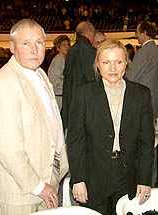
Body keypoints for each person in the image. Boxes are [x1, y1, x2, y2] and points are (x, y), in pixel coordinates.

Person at [0, 19, 68, 215]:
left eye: (39, 42)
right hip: (19, 192)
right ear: (12, 47)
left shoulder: (40, 74)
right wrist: (39, 186)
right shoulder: (3, 84)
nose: (34, 49)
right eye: (26, 43)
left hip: (47, 179)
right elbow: (7, 147)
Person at [67, 39, 155, 215]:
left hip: (128, 176)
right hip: (93, 176)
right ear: (98, 65)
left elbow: (146, 141)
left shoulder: (141, 94)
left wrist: (145, 180)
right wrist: (78, 179)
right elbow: (75, 141)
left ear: (126, 64)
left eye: (119, 62)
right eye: (106, 62)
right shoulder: (83, 94)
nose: (113, 68)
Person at [126, 21, 158, 187]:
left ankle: (144, 180)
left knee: (144, 143)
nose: (136, 35)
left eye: (137, 32)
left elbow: (131, 77)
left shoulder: (144, 51)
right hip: (155, 102)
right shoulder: (156, 50)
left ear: (144, 32)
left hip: (144, 103)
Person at [62, 21, 96, 130]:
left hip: (70, 99)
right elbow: (92, 78)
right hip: (84, 102)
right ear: (90, 33)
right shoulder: (88, 51)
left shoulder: (72, 50)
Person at [48, 35, 71, 111]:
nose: (66, 47)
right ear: (58, 48)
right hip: (59, 97)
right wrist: (69, 83)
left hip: (64, 95)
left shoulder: (66, 60)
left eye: (68, 45)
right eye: (63, 45)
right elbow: (54, 80)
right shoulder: (57, 61)